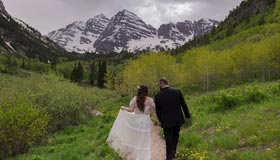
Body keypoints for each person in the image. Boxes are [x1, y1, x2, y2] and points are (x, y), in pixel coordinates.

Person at [106, 85, 161, 160]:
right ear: (146, 91)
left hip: (136, 121)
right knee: (143, 140)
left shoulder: (135, 99)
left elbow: (131, 110)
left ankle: (134, 155)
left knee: (135, 139)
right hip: (145, 123)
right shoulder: (150, 100)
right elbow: (153, 113)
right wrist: (158, 121)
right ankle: (141, 157)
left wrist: (124, 108)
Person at [155, 78, 191, 160]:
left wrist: (160, 120)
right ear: (168, 83)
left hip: (166, 121)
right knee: (176, 135)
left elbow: (158, 111)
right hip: (177, 119)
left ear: (161, 84)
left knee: (168, 138)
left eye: (159, 84)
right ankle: (173, 152)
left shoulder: (158, 96)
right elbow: (183, 104)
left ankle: (169, 157)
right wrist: (187, 115)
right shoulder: (177, 92)